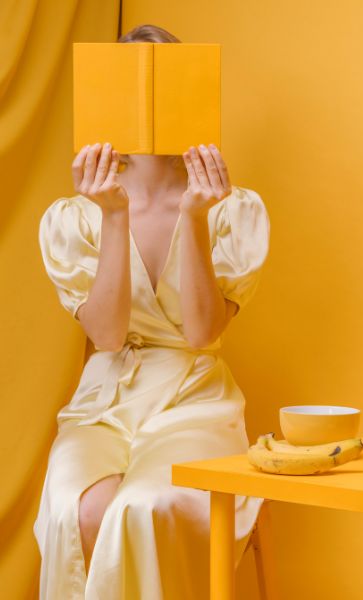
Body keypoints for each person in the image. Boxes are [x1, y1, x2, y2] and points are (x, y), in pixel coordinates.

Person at [32, 23, 270, 600]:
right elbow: (108, 337)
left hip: (194, 399)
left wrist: (193, 216)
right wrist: (114, 215)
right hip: (104, 398)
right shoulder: (76, 217)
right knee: (78, 509)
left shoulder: (231, 210)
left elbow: (201, 332)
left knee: (142, 507)